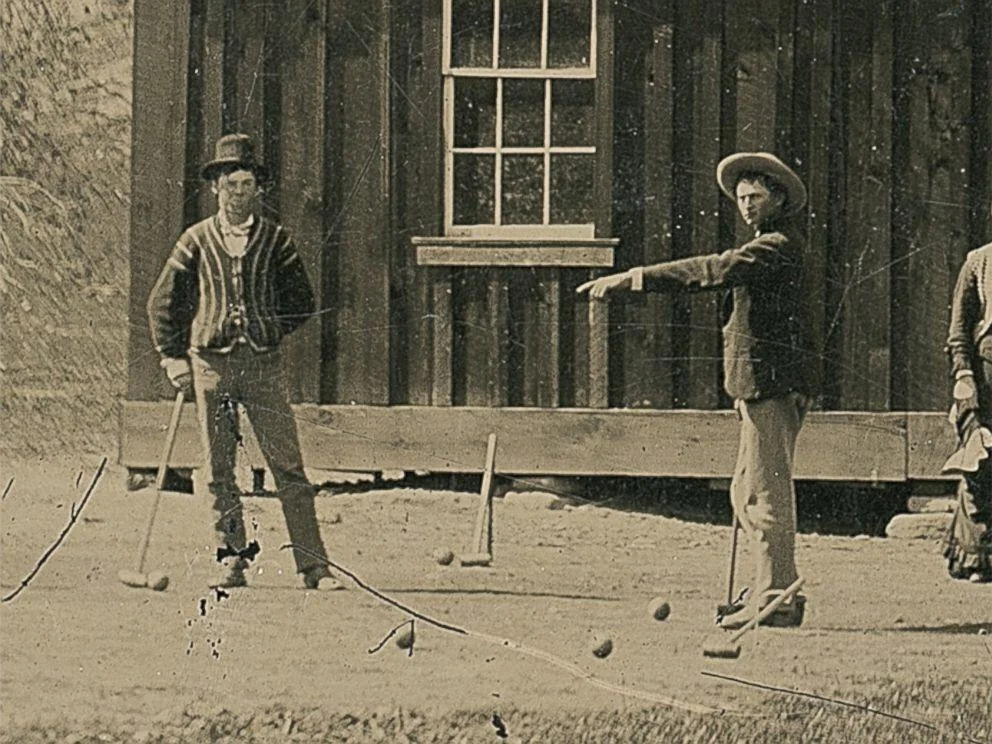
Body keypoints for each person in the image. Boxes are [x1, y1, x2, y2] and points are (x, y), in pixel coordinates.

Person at [577, 152, 817, 628]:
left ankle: (775, 598)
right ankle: (771, 586)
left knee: (764, 494)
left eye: (757, 197)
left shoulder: (777, 246)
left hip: (771, 384)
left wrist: (635, 278)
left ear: (780, 199)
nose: (747, 206)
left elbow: (715, 268)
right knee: (745, 490)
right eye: (742, 198)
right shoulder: (769, 244)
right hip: (759, 384)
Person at [147, 133, 342, 591]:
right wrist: (173, 359)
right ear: (216, 187)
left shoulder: (276, 240)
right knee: (218, 469)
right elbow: (161, 304)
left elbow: (302, 301)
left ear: (259, 189)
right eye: (230, 184)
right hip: (210, 365)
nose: (238, 193)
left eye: (246, 184)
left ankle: (314, 567)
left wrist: (267, 328)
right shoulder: (195, 239)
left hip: (263, 366)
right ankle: (232, 560)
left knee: (288, 466)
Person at [942, 242, 992, 583]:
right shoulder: (980, 261)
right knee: (981, 462)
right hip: (987, 378)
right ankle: (978, 556)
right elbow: (959, 332)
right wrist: (964, 375)